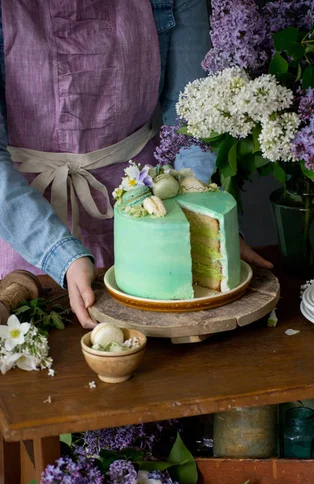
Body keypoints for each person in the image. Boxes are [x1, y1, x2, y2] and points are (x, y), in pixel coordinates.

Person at [0, 0, 272, 330]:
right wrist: (61, 256)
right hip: (24, 234)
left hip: (155, 221)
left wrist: (209, 228)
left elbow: (195, 122)